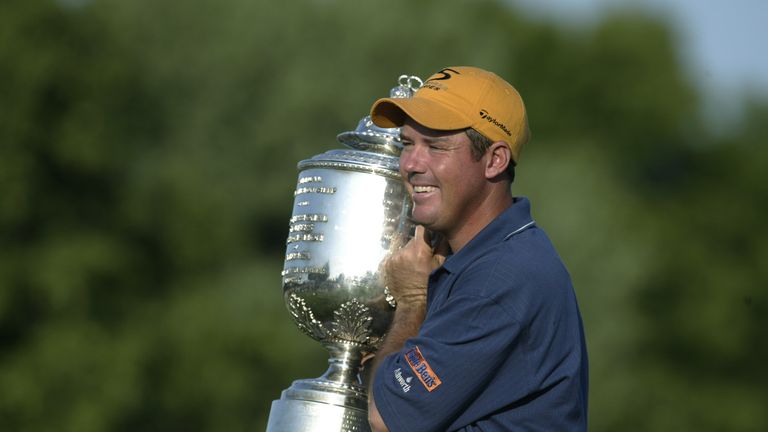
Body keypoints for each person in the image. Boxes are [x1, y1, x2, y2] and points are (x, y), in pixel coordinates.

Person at [364, 66, 589, 431]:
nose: (411, 165)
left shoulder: (500, 279)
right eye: (407, 143)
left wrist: (410, 299)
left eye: (435, 146)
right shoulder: (486, 256)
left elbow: (388, 419)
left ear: (495, 160)